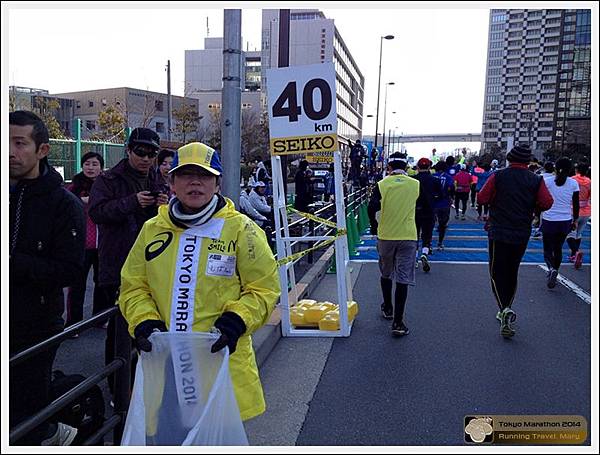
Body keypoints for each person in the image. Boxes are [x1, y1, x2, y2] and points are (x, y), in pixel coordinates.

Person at [118, 141, 280, 424]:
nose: (195, 182)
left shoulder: (242, 229)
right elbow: (133, 286)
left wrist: (236, 321)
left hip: (219, 364)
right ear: (172, 183)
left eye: (204, 176)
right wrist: (145, 321)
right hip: (165, 367)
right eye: (185, 175)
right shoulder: (152, 229)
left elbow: (264, 290)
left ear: (217, 184)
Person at [9, 111, 85, 445]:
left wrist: (14, 263)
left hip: (34, 327)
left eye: (19, 143)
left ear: (42, 149)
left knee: (24, 416)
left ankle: (51, 433)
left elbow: (69, 270)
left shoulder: (63, 204)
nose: (11, 151)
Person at [89, 127, 166, 389]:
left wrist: (166, 204)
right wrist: (132, 202)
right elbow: (97, 212)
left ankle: (147, 385)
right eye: (140, 152)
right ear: (129, 150)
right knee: (121, 328)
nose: (146, 158)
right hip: (119, 263)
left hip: (155, 264)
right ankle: (119, 388)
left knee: (151, 326)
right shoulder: (108, 179)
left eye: (152, 153)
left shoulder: (158, 179)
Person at [477, 145, 553, 338]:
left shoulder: (499, 176)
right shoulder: (536, 180)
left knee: (495, 272)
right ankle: (507, 307)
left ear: (509, 159)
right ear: (529, 162)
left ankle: (504, 309)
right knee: (512, 271)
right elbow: (546, 203)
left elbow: (482, 197)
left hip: (499, 230)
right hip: (521, 231)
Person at [367, 152, 420, 337]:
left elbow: (371, 207)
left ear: (389, 168)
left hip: (386, 235)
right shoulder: (415, 184)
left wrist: (375, 227)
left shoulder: (382, 185)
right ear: (406, 168)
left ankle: (387, 307)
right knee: (403, 278)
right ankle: (398, 322)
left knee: (386, 272)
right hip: (408, 236)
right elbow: (419, 206)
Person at [65, 152, 107, 331]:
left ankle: (100, 318)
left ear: (101, 167)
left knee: (102, 283)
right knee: (77, 285)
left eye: (95, 164)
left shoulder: (106, 187)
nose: (91, 167)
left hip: (103, 243)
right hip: (79, 245)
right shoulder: (73, 188)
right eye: (87, 164)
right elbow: (65, 209)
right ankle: (74, 323)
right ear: (82, 166)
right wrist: (79, 201)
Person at [541, 157, 579, 288]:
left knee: (547, 248)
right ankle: (555, 270)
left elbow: (541, 199)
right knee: (558, 248)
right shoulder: (574, 183)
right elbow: (576, 204)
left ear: (555, 168)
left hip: (549, 219)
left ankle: (551, 268)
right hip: (565, 220)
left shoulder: (547, 181)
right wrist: (575, 220)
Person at [413, 157, 441, 272]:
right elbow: (440, 194)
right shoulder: (435, 180)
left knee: (414, 235)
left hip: (414, 210)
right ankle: (424, 253)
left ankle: (414, 258)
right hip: (429, 211)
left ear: (418, 167)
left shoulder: (413, 180)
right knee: (427, 235)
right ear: (429, 167)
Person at [566, 160, 591, 269]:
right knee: (579, 233)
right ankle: (573, 255)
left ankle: (576, 252)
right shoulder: (590, 181)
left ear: (576, 170)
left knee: (569, 234)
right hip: (586, 211)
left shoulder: (572, 180)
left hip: (573, 210)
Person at [432, 161, 455, 250]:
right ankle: (440, 243)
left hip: (433, 203)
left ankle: (428, 243)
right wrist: (451, 197)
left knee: (430, 224)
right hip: (444, 202)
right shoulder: (448, 177)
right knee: (443, 224)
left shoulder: (433, 176)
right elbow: (451, 187)